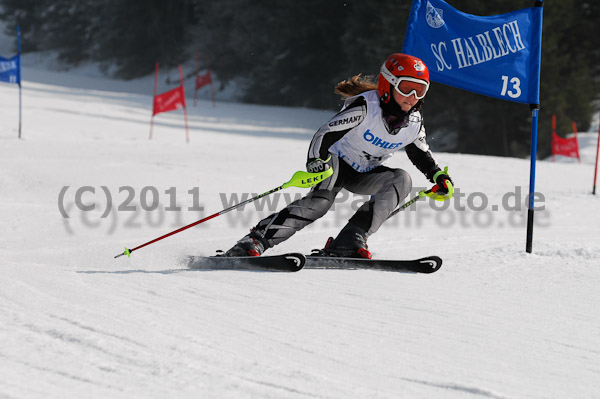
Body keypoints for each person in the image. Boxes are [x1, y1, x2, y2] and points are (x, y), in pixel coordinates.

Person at [224, 53, 453, 258]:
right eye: (406, 88)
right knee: (320, 204)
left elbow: (420, 153)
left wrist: (437, 176)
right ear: (387, 85)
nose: (412, 96)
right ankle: (255, 241)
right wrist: (316, 162)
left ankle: (350, 239)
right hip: (336, 162)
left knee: (402, 179)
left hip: (365, 172)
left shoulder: (414, 121)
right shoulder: (366, 107)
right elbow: (325, 134)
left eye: (420, 90)